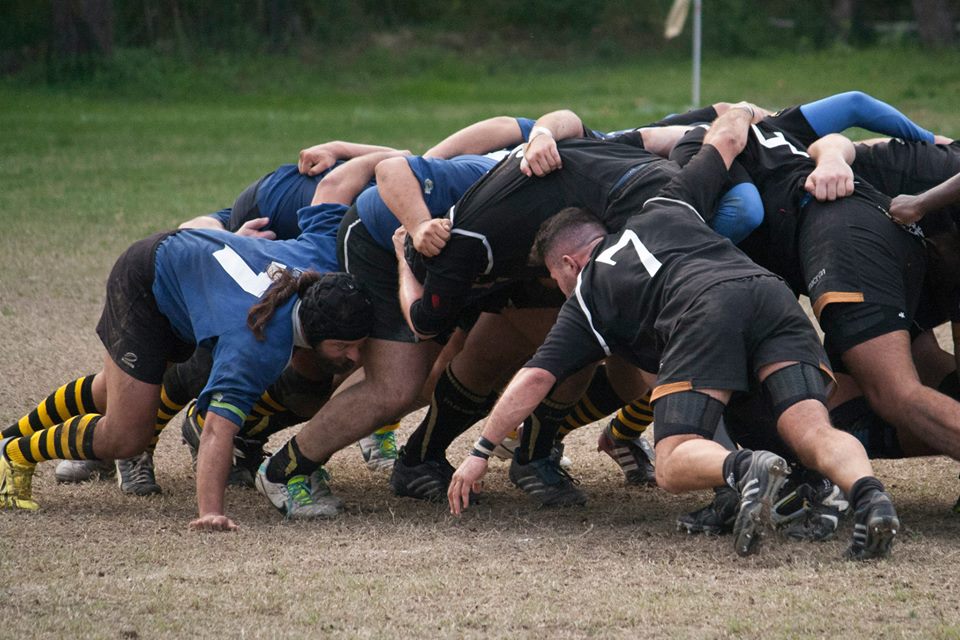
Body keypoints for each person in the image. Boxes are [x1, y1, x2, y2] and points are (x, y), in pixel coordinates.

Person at [448, 106, 900, 561]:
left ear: (569, 262)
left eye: (556, 278)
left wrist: (481, 451)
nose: (562, 291)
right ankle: (870, 498)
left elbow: (535, 377)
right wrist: (740, 111)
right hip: (770, 296)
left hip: (704, 311)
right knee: (812, 430)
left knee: (671, 459)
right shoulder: (667, 204)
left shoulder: (588, 290)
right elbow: (723, 140)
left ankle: (744, 468)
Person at [0, 152, 403, 528]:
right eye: (344, 346)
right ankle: (14, 455)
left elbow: (335, 184)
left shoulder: (323, 261)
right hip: (145, 281)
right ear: (311, 332)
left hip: (186, 278)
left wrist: (394, 161)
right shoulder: (257, 341)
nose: (354, 356)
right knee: (126, 434)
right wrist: (211, 513)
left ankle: (6, 436)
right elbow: (216, 432)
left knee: (112, 392)